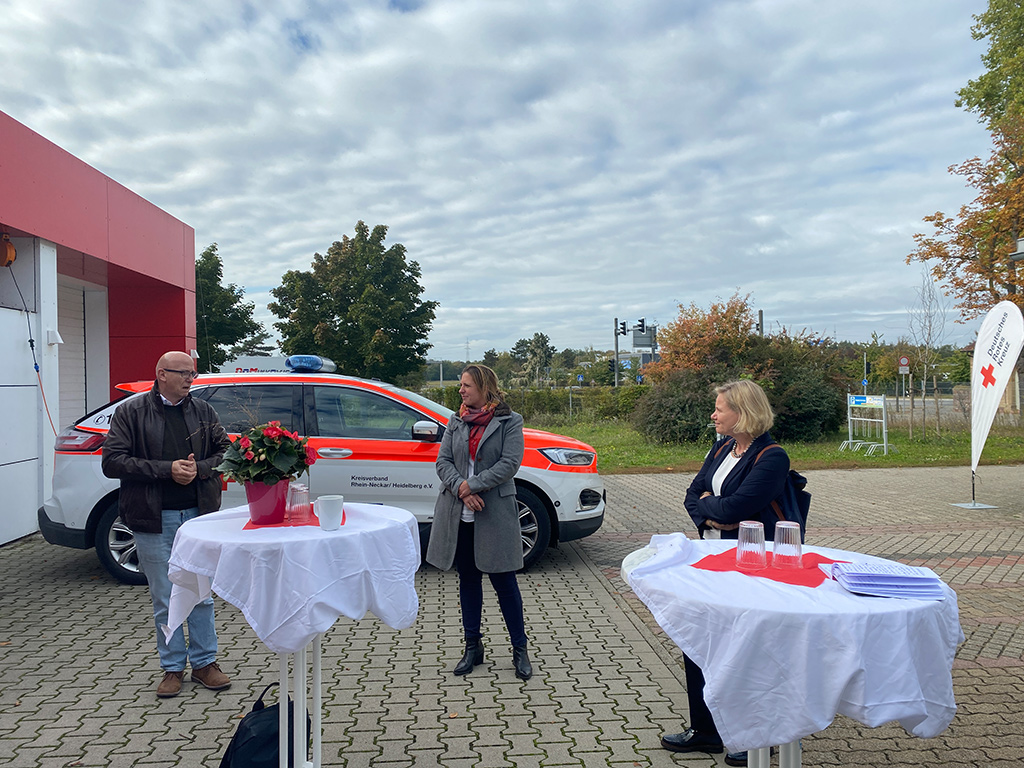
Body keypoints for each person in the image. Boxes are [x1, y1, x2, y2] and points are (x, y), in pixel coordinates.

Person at [660, 379, 790, 767]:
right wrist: (712, 508)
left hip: (752, 565)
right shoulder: (722, 447)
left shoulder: (772, 457)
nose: (713, 414)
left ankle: (753, 739)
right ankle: (706, 730)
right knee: (697, 638)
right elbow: (692, 494)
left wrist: (715, 508)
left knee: (745, 649)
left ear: (743, 412)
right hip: (712, 557)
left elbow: (736, 510)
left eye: (720, 408)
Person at [101, 351, 232, 698]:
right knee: (165, 595)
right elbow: (112, 462)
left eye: (193, 373)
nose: (191, 379)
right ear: (161, 374)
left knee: (201, 593)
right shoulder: (131, 411)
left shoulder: (203, 410)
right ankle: (172, 667)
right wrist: (166, 469)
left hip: (198, 516)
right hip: (153, 517)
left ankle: (205, 663)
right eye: (183, 373)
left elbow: (227, 452)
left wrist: (200, 469)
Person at [426, 364, 533, 681]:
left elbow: (509, 464)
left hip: (493, 513)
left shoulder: (510, 421)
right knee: (468, 582)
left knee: (505, 584)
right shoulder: (456, 419)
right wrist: (461, 488)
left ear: (485, 387)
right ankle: (473, 647)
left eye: (466, 385)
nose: (461, 390)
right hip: (460, 514)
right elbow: (442, 461)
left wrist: (470, 486)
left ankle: (520, 649)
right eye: (461, 384)